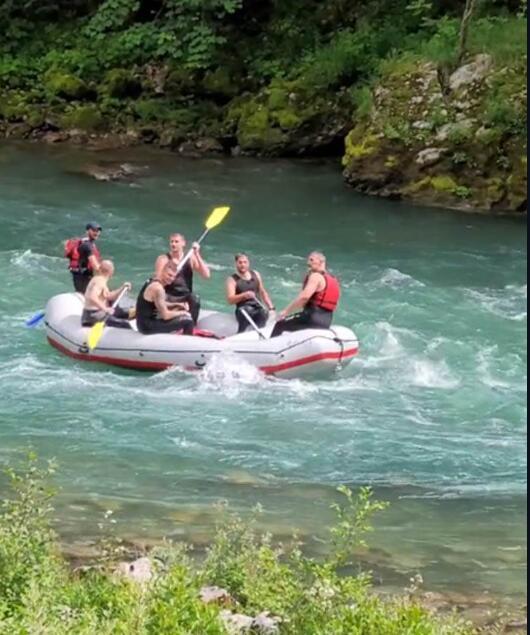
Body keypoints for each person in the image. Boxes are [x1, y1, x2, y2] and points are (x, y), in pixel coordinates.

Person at [270, 251, 340, 338]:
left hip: (312, 317)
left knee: (280, 325)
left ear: (321, 261)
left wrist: (285, 312)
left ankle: (268, 346)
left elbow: (304, 297)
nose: (308, 263)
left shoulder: (316, 276)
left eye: (311, 260)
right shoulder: (333, 279)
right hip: (326, 321)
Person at [154, 233, 210, 325]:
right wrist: (169, 274)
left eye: (176, 242)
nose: (173, 244)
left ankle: (192, 325)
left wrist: (197, 254)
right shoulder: (163, 259)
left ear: (183, 243)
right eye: (171, 242)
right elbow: (157, 281)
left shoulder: (190, 258)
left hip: (185, 296)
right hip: (169, 295)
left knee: (195, 298)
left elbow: (206, 275)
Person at [136, 261, 194, 335]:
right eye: (169, 275)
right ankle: (186, 341)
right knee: (188, 321)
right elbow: (166, 316)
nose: (171, 279)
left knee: (180, 311)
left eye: (174, 277)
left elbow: (159, 302)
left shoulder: (152, 281)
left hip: (144, 323)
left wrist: (178, 304)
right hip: (147, 327)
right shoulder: (158, 289)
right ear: (163, 271)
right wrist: (183, 313)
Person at [225, 253, 275, 333]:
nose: (243, 265)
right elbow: (230, 300)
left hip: (257, 307)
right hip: (243, 309)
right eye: (240, 262)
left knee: (263, 313)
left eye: (245, 262)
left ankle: (259, 334)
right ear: (236, 264)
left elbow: (263, 292)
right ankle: (241, 333)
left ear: (248, 263)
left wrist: (271, 308)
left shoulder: (256, 274)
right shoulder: (232, 280)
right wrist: (244, 295)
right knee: (246, 311)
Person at [81, 260, 132, 329]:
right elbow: (92, 297)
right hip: (93, 315)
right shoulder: (99, 281)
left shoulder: (99, 279)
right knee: (125, 325)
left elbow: (109, 296)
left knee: (124, 313)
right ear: (111, 272)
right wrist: (105, 309)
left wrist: (122, 288)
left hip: (94, 314)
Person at [65, 222, 103, 294]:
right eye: (94, 230)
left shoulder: (87, 243)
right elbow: (95, 266)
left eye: (98, 231)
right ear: (87, 231)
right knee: (85, 294)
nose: (97, 233)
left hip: (80, 274)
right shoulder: (87, 245)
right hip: (82, 275)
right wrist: (104, 275)